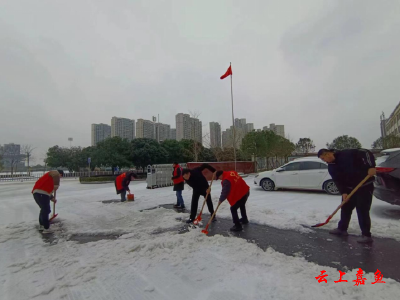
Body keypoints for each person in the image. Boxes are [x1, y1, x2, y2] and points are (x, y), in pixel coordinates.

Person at [318, 148, 377, 244]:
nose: (324, 161)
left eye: (323, 158)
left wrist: (371, 166)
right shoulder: (331, 167)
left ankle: (366, 235)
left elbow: (366, 152)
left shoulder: (346, 154)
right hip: (349, 189)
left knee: (362, 210)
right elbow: (337, 180)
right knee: (345, 208)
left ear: (328, 154)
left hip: (364, 186)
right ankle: (342, 229)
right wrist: (344, 192)